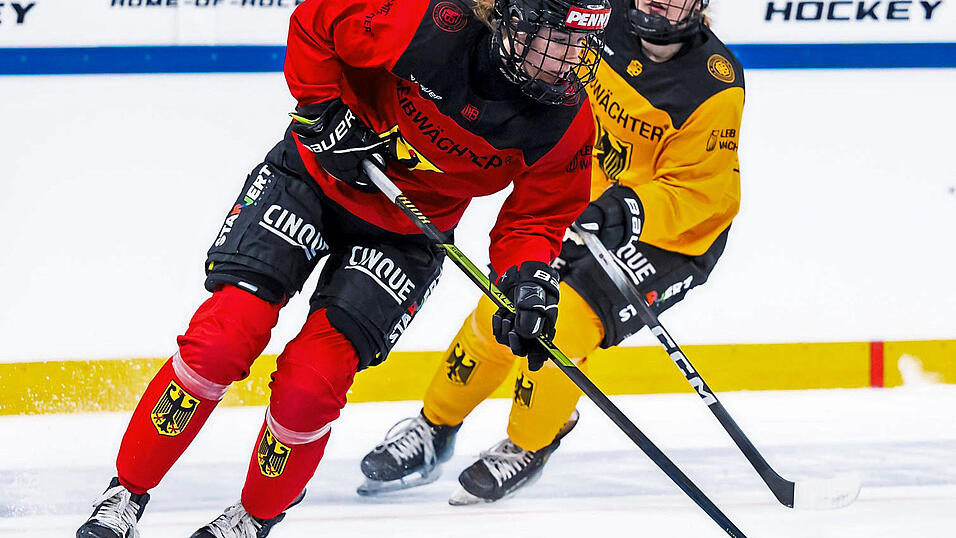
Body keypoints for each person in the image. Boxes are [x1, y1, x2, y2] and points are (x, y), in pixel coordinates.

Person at [75, 0, 612, 536]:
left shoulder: (566, 123)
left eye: (582, 43)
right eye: (556, 38)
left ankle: (252, 517)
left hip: (404, 236)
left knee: (312, 383)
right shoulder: (425, 20)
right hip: (309, 181)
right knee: (223, 336)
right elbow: (315, 21)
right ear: (512, 21)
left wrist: (527, 281)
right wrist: (322, 111)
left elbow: (535, 222)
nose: (570, 59)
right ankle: (125, 493)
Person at [359, 0, 744, 505]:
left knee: (563, 327)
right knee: (505, 309)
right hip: (587, 207)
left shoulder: (715, 84)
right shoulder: (600, 21)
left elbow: (706, 194)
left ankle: (530, 443)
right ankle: (434, 427)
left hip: (668, 237)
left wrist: (627, 207)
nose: (656, 2)